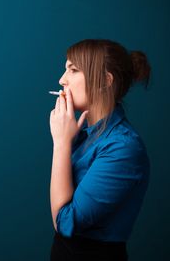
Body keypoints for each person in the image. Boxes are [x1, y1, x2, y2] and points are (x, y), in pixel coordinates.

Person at [49, 39, 151, 261]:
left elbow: (65, 222)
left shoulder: (123, 148)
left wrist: (61, 144)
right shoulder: (84, 132)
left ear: (105, 80)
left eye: (73, 70)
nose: (61, 80)